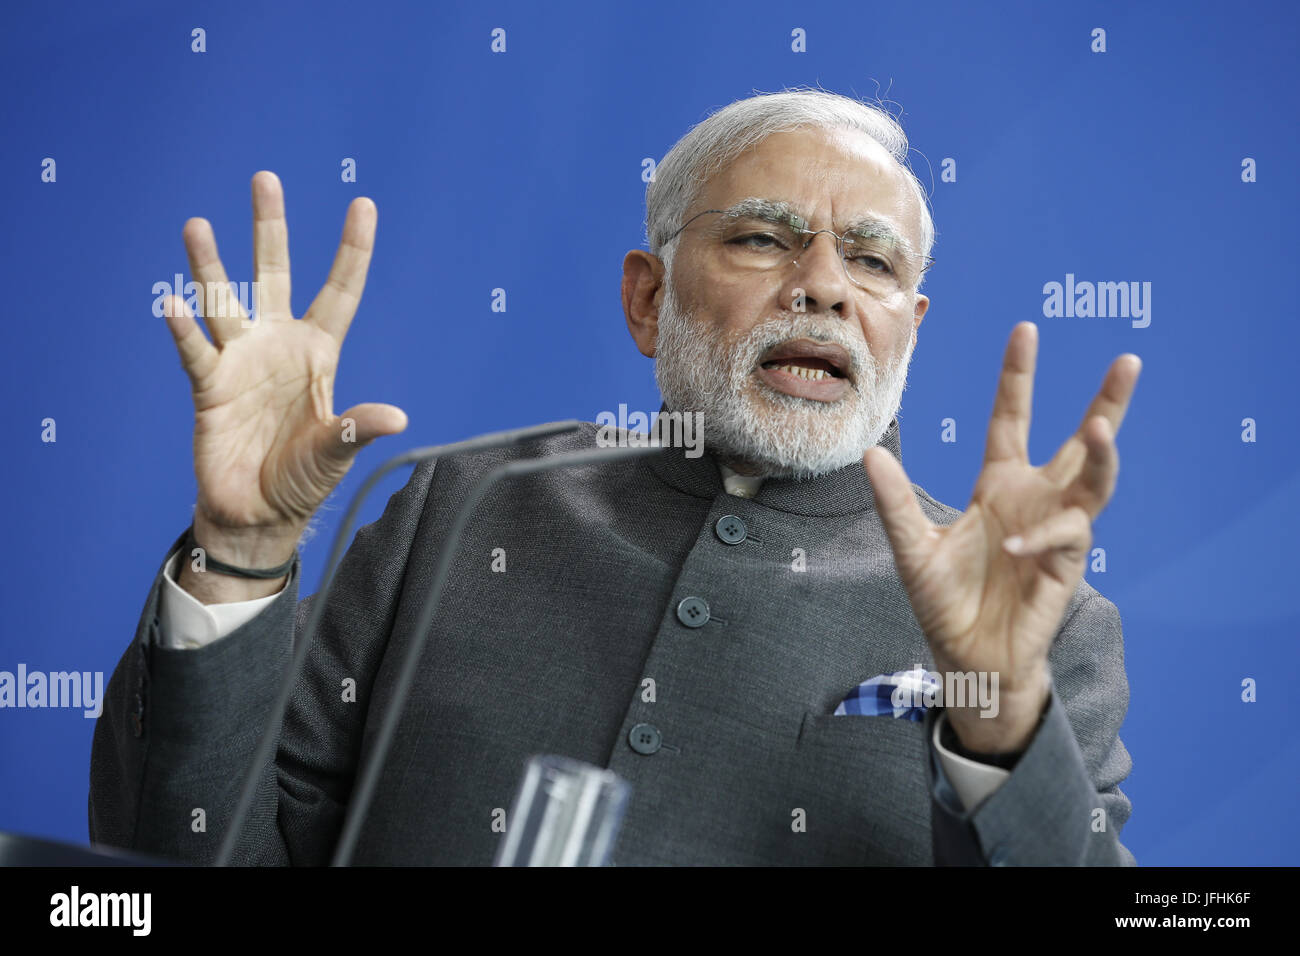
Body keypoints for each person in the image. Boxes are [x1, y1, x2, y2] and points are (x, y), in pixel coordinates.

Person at [89, 88, 1141, 865]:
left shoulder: (1033, 629)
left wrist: (997, 716)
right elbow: (175, 854)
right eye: (762, 238)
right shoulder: (465, 506)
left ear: (905, 333)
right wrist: (238, 559)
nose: (821, 284)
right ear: (648, 299)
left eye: (871, 262)